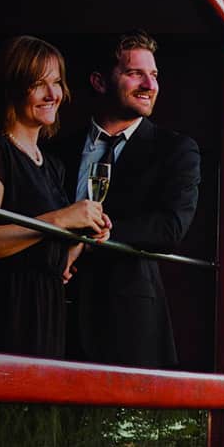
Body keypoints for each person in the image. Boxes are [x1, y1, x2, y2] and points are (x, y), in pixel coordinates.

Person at [57, 31, 201, 368]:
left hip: (126, 322)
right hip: (51, 313)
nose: (149, 85)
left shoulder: (176, 150)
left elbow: (171, 227)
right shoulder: (57, 150)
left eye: (153, 75)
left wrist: (90, 240)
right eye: (135, 73)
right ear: (99, 81)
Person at [0, 36, 110, 358]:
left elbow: (46, 247)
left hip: (47, 307)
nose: (52, 94)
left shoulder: (52, 164)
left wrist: (80, 238)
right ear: (14, 88)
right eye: (38, 84)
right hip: (6, 309)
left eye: (57, 82)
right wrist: (60, 220)